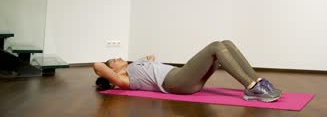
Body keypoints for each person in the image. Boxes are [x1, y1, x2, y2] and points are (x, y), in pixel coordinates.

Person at [93, 40, 282, 102]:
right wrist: (102, 70)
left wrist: (143, 60)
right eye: (113, 61)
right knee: (216, 46)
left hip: (183, 78)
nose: (117, 58)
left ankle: (257, 82)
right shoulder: (123, 79)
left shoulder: (133, 66)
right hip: (176, 82)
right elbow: (98, 66)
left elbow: (150, 58)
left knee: (226, 43)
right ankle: (251, 88)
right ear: (112, 70)